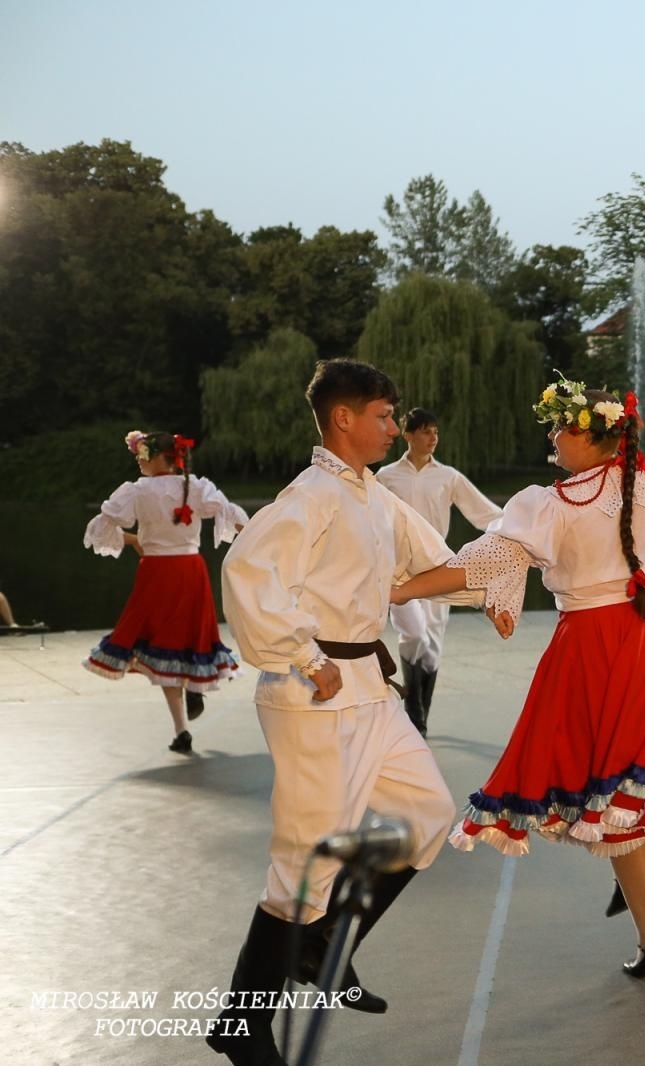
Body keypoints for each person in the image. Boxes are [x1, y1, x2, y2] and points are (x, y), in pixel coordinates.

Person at [392, 375, 645, 978]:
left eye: (558, 426)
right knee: (623, 779)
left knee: (609, 780)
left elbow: (481, 561)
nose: (552, 437)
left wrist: (395, 588)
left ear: (587, 432)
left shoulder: (553, 501)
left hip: (596, 642)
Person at [207, 360, 469, 1066]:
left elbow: (432, 565)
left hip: (371, 692)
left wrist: (518, 563)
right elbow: (248, 575)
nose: (395, 428)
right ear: (344, 418)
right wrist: (307, 657)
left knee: (426, 816)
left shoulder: (373, 495)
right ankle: (240, 1023)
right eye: (384, 416)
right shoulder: (312, 495)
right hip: (315, 694)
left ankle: (322, 944)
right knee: (302, 864)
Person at [82, 430, 248, 752]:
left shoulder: (138, 491)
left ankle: (181, 729)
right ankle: (190, 699)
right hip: (191, 570)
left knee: (160, 644)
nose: (140, 460)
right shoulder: (195, 486)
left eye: (144, 454)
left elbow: (106, 522)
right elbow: (227, 511)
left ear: (160, 457)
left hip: (157, 572)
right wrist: (258, 536)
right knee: (190, 637)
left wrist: (134, 541)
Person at [376, 407, 503, 736]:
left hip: (438, 569)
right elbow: (368, 518)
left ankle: (420, 717)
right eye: (426, 431)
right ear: (408, 435)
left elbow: (485, 513)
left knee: (431, 647)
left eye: (436, 431)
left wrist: (519, 534)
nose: (433, 438)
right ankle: (413, 705)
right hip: (397, 571)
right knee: (413, 634)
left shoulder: (448, 477)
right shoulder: (386, 477)